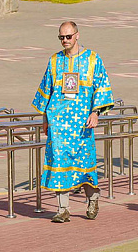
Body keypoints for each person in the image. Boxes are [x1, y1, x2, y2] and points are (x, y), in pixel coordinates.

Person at [31, 21, 115, 223]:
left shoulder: (93, 59)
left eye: (68, 37)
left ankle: (93, 198)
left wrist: (95, 112)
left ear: (77, 35)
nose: (65, 41)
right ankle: (62, 209)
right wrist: (45, 119)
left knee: (83, 166)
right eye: (61, 37)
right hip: (58, 125)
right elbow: (47, 91)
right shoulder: (54, 61)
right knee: (58, 163)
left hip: (82, 126)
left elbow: (101, 88)